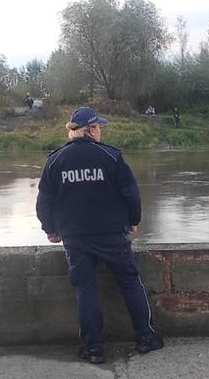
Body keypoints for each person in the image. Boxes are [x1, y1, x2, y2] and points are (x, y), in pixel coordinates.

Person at [36, 106, 164, 364]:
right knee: (129, 283)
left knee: (86, 290)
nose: (101, 130)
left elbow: (44, 200)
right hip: (111, 234)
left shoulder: (56, 160)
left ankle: (93, 349)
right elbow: (131, 194)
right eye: (99, 127)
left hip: (75, 236)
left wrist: (49, 228)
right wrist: (133, 221)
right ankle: (145, 338)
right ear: (92, 129)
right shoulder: (111, 156)